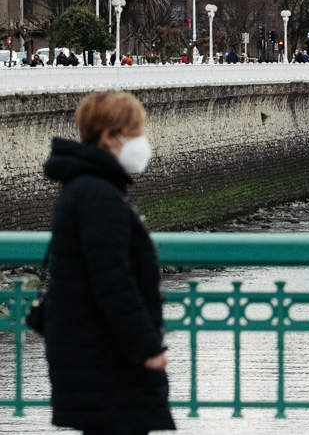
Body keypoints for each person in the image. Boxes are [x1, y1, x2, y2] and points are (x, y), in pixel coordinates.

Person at [42, 90, 175, 434]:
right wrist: (147, 348)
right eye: (134, 134)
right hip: (107, 360)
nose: (141, 143)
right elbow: (111, 279)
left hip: (92, 355)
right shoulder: (99, 195)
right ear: (109, 137)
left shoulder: (83, 187)